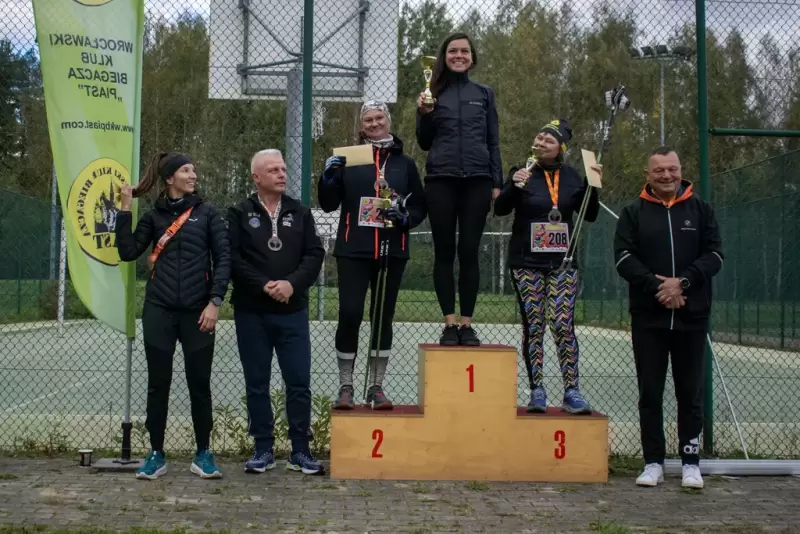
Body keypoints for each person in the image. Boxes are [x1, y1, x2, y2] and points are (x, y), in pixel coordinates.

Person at [116, 151, 231, 480]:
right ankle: (156, 454)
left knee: (200, 385)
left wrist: (215, 302)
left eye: (194, 170)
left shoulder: (207, 213)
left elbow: (224, 259)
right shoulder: (153, 217)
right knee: (158, 384)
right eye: (186, 170)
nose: (193, 175)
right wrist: (125, 207)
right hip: (159, 309)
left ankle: (203, 453)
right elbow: (127, 251)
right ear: (170, 178)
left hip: (198, 312)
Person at [614, 146, 723, 490]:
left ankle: (691, 463)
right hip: (649, 318)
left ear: (681, 171)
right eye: (659, 170)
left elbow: (715, 255)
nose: (666, 175)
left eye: (672, 169)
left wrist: (683, 282)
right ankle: (653, 463)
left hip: (692, 316)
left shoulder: (701, 209)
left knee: (690, 393)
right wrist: (659, 287)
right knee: (650, 392)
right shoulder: (633, 212)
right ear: (647, 175)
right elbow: (623, 258)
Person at [318, 100, 426, 410]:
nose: (375, 123)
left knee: (382, 317)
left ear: (388, 121)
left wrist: (405, 218)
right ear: (361, 126)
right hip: (354, 248)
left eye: (380, 118)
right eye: (369, 119)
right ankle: (346, 385)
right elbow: (328, 203)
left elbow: (419, 206)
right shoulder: (350, 158)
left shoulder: (405, 164)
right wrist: (327, 178)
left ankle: (376, 386)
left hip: (392, 250)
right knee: (350, 313)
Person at [227, 149, 326, 476]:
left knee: (298, 382)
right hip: (251, 312)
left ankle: (300, 450)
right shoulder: (239, 213)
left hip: (292, 312)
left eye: (283, 169)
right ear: (256, 177)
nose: (282, 174)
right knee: (257, 382)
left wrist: (291, 285)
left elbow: (314, 254)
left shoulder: (300, 212)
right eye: (273, 170)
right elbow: (233, 258)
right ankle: (263, 449)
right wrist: (264, 285)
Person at [494, 119, 601, 415]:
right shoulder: (522, 170)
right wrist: (514, 187)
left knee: (562, 323)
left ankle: (572, 391)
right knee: (535, 324)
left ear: (560, 148)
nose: (541, 142)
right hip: (526, 262)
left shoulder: (572, 176)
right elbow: (500, 208)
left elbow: (590, 214)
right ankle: (537, 389)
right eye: (539, 137)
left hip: (562, 263)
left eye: (549, 140)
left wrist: (593, 187)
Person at [415, 32, 503, 347]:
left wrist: (497, 182)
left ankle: (467, 324)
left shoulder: (484, 94)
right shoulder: (431, 93)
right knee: (444, 252)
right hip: (441, 180)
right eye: (453, 51)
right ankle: (449, 324)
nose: (459, 56)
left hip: (477, 180)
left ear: (472, 57)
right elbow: (424, 142)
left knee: (469, 251)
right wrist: (425, 115)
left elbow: (493, 141)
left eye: (464, 51)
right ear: (444, 56)